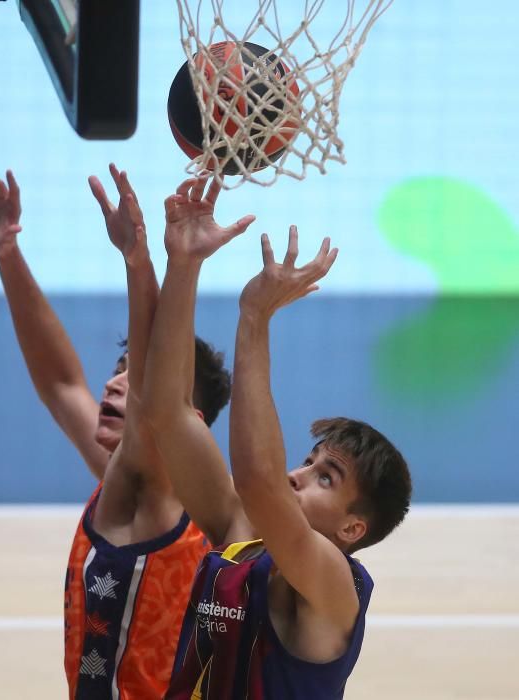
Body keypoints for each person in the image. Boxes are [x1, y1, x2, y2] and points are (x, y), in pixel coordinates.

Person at [0, 162, 243, 699]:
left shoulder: (165, 492)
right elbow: (61, 382)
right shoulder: (124, 481)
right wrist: (7, 253)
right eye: (118, 369)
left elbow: (156, 402)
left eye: (132, 376)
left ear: (190, 424)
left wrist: (143, 264)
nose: (115, 385)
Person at [140, 176, 412, 698]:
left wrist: (255, 318)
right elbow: (167, 415)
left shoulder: (333, 588)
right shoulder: (242, 532)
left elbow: (261, 481)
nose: (297, 475)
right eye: (309, 462)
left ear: (354, 528)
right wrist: (184, 264)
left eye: (324, 477)